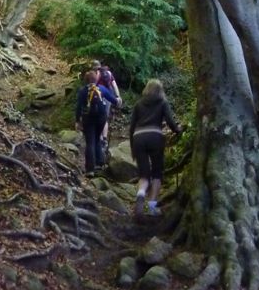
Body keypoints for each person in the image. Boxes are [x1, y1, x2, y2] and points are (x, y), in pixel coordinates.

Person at [129, 78, 182, 217]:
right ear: (160, 90)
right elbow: (170, 121)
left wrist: (132, 147)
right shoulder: (163, 102)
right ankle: (152, 207)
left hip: (138, 138)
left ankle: (140, 196)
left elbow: (132, 127)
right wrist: (178, 131)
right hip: (155, 137)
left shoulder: (138, 104)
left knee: (144, 175)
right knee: (157, 174)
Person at [75, 68, 121, 175]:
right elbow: (114, 101)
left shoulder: (83, 91)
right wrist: (118, 100)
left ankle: (90, 169)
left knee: (90, 142)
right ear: (96, 79)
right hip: (101, 118)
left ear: (86, 80)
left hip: (88, 119)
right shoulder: (101, 88)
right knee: (97, 138)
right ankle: (99, 163)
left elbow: (78, 107)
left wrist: (77, 121)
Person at [98, 61, 120, 147]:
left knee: (99, 117)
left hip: (99, 97)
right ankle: (104, 138)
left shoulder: (98, 74)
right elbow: (114, 85)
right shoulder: (109, 74)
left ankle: (99, 138)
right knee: (105, 118)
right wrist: (118, 96)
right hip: (109, 98)